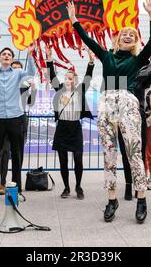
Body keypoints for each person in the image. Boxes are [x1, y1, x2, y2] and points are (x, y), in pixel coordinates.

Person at [67, 0, 151, 224]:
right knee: (109, 153)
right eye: (125, 33)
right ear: (118, 39)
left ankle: (141, 198)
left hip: (127, 102)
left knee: (134, 152)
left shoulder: (137, 60)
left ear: (135, 42)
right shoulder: (106, 56)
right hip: (106, 103)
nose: (128, 35)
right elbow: (88, 40)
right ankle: (111, 199)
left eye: (133, 35)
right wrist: (74, 20)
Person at [0, 43, 37, 202]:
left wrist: (30, 54)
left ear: (12, 60)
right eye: (4, 54)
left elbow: (31, 73)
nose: (6, 56)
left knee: (17, 156)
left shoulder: (17, 73)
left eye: (9, 55)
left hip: (15, 118)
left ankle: (17, 190)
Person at [47, 46, 95, 200]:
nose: (68, 79)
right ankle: (66, 187)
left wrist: (91, 61)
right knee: (63, 161)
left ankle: (78, 186)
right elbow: (51, 75)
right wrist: (49, 58)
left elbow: (88, 76)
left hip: (75, 127)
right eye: (66, 77)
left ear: (75, 80)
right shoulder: (59, 89)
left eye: (71, 77)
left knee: (78, 159)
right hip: (62, 128)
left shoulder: (80, 90)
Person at [0, 61, 37, 197]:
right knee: (4, 152)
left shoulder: (24, 86)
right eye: (14, 69)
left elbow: (30, 102)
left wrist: (34, 88)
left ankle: (16, 186)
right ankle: (1, 182)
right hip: (4, 119)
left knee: (18, 154)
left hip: (20, 120)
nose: (17, 72)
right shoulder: (5, 85)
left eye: (20, 70)